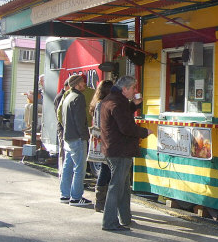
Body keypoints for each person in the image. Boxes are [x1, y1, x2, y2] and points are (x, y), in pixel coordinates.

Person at [99, 75, 151, 231]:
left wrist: (133, 106)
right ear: (125, 89)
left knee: (123, 187)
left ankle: (125, 218)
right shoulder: (117, 102)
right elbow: (125, 127)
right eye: (133, 88)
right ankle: (109, 222)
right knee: (117, 187)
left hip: (113, 148)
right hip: (120, 150)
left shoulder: (112, 99)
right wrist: (144, 132)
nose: (135, 91)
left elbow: (119, 116)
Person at [59, 74, 92, 206]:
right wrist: (85, 135)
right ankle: (76, 197)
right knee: (80, 168)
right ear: (77, 84)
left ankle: (64, 194)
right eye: (82, 82)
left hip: (68, 136)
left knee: (68, 166)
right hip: (78, 137)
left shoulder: (67, 97)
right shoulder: (79, 97)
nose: (84, 84)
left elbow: (61, 114)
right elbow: (80, 121)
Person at [89, 79, 114, 212]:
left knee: (105, 170)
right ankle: (101, 201)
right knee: (106, 170)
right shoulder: (103, 104)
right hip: (104, 140)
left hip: (99, 140)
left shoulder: (97, 103)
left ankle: (100, 201)